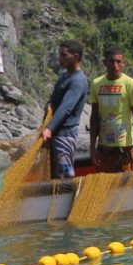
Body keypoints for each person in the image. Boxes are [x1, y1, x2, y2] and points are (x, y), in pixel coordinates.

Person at [88, 46, 133, 173]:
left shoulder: (131, 84)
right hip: (104, 147)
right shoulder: (97, 83)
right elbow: (94, 117)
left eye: (119, 62)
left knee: (125, 187)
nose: (115, 65)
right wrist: (92, 148)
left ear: (123, 63)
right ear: (104, 62)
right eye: (111, 61)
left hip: (124, 147)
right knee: (104, 186)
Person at [42, 40, 89, 179]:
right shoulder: (64, 76)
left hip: (64, 135)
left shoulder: (78, 81)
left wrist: (49, 128)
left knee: (65, 173)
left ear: (75, 57)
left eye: (63, 55)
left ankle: (70, 198)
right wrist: (49, 104)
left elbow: (66, 108)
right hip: (56, 133)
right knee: (54, 174)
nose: (60, 58)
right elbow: (55, 99)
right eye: (60, 54)